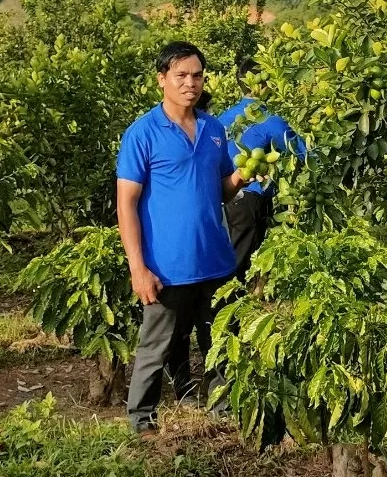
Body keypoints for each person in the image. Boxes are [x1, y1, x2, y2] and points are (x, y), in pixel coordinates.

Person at [116, 41, 247, 436]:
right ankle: (142, 422)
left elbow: (222, 188)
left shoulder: (214, 129)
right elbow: (126, 204)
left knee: (221, 342)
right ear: (162, 80)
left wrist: (244, 175)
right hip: (166, 265)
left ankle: (222, 412)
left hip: (216, 259)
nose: (191, 83)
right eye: (181, 75)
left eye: (197, 75)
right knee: (155, 346)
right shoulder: (142, 133)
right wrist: (138, 268)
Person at [217, 57, 308, 280]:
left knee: (229, 256)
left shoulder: (220, 119)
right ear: (262, 83)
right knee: (242, 263)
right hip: (250, 197)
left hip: (220, 197)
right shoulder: (268, 120)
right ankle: (221, 312)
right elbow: (302, 153)